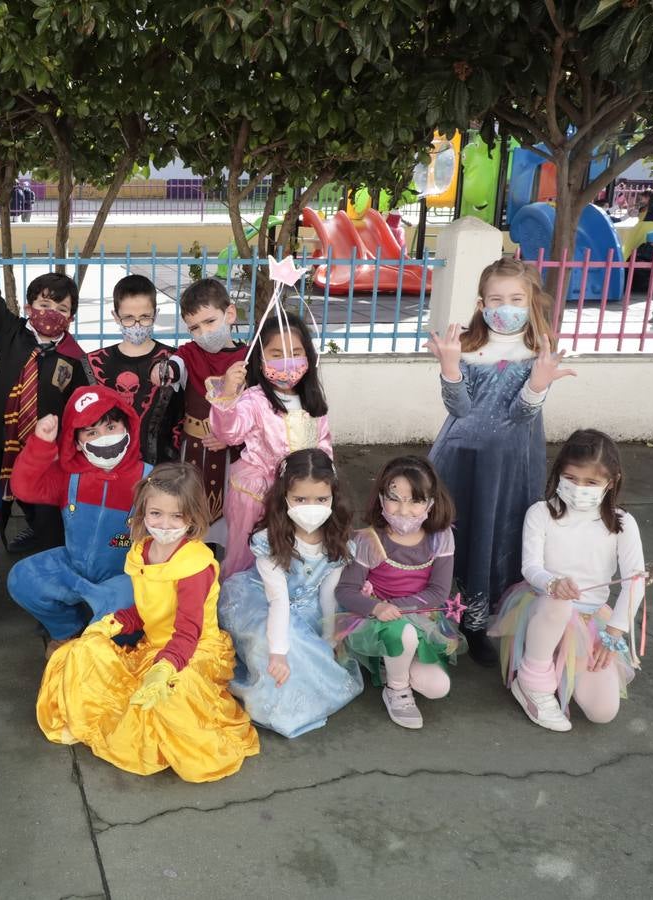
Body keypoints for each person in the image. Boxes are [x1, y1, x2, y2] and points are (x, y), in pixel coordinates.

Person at [36, 463, 260, 782]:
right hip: (154, 648)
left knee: (171, 697)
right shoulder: (143, 551)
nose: (164, 524)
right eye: (156, 514)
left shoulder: (194, 566)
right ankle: (87, 718)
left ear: (193, 517)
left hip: (193, 653)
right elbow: (145, 610)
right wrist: (110, 625)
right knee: (79, 652)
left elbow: (188, 632)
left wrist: (165, 668)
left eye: (176, 516)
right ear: (143, 511)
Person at [425, 258, 574, 666]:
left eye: (515, 299)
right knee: (454, 532)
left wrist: (538, 385)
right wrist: (450, 368)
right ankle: (440, 612)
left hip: (512, 466)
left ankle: (481, 620)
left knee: (500, 537)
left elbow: (523, 416)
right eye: (496, 299)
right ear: (481, 302)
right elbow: (459, 408)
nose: (504, 307)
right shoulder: (469, 348)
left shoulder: (537, 351)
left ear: (530, 303)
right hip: (461, 461)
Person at [0, 206, 91, 555]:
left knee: (45, 513)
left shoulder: (75, 358)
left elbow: (84, 409)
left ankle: (44, 543)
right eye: (44, 305)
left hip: (46, 453)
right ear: (29, 307)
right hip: (3, 442)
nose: (51, 315)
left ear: (71, 316)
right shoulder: (10, 334)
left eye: (61, 310)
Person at [489, 429, 646, 732]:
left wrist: (614, 631)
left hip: (588, 619)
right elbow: (530, 566)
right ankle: (533, 681)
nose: (579, 488)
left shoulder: (622, 524)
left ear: (610, 483)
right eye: (571, 479)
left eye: (591, 482)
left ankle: (562, 665)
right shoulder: (541, 513)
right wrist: (552, 583)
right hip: (543, 607)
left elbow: (634, 580)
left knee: (603, 712)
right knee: (560, 604)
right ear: (559, 473)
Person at [218, 448, 363, 737]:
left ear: (334, 496)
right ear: (285, 498)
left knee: (311, 647)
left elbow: (328, 593)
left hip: (308, 607)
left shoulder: (338, 541)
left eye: (321, 499)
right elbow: (278, 601)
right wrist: (278, 653)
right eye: (300, 499)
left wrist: (329, 637)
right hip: (261, 601)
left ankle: (305, 693)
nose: (312, 507)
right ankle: (274, 704)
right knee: (274, 642)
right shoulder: (269, 541)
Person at [7, 386, 149, 657]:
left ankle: (96, 649)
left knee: (125, 610)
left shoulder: (150, 479)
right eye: (91, 432)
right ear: (77, 440)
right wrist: (42, 443)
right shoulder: (68, 475)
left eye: (110, 427)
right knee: (22, 578)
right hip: (73, 566)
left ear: (127, 425)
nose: (104, 438)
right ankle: (67, 632)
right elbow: (24, 487)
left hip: (122, 578)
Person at [333, 456, 465, 730]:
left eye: (415, 500)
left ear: (431, 502)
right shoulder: (370, 539)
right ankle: (396, 688)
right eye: (395, 498)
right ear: (381, 498)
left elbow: (439, 591)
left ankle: (391, 662)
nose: (404, 510)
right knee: (401, 633)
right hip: (380, 619)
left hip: (419, 617)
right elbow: (346, 591)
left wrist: (397, 606)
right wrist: (377, 608)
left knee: (438, 688)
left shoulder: (440, 536)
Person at [207, 311, 332, 580]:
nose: (287, 361)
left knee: (295, 555)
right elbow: (229, 432)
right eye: (276, 354)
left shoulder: (313, 401)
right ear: (260, 359)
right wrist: (227, 394)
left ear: (308, 356)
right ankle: (238, 609)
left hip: (301, 495)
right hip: (256, 498)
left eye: (295, 352)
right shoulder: (255, 399)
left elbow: (324, 443)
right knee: (250, 555)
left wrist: (325, 481)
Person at [172, 278, 247, 545]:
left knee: (232, 521)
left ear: (229, 313)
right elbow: (174, 366)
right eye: (194, 327)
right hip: (192, 450)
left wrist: (232, 437)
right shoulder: (189, 353)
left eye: (210, 322)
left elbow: (259, 412)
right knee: (189, 512)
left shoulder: (250, 359)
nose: (203, 332)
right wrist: (164, 370)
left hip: (234, 456)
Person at [85, 274, 183, 464]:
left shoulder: (176, 362)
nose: (137, 325)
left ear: (156, 314)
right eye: (128, 318)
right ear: (115, 316)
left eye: (145, 317)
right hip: (106, 472)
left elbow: (182, 419)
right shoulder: (93, 363)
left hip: (162, 475)